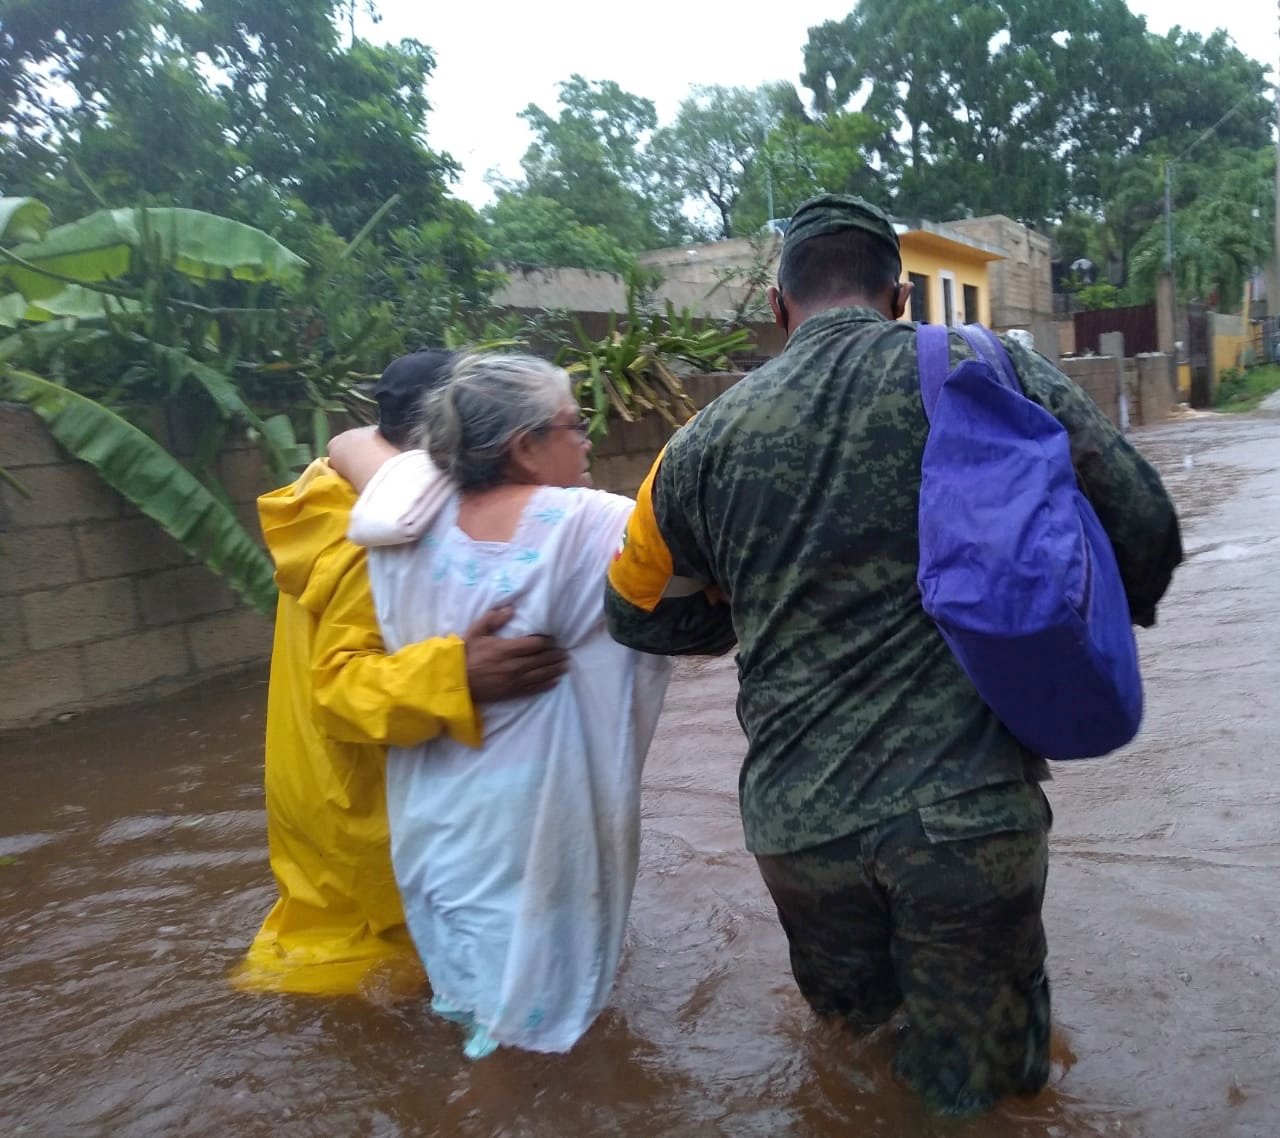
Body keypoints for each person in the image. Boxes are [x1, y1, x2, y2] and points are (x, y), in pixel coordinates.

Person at [604, 194, 1182, 1115]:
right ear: (901, 293)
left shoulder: (695, 448)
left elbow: (636, 614)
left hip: (798, 833)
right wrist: (1094, 624)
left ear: (775, 304)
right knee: (984, 1099)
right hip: (965, 820)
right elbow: (1143, 519)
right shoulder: (979, 367)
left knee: (857, 1072)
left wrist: (747, 606)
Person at [329, 352, 671, 1058]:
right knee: (528, 1054)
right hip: (535, 842)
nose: (588, 443)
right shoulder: (588, 526)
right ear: (524, 444)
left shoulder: (391, 523)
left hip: (436, 836)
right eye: (575, 426)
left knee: (476, 1019)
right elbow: (703, 554)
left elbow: (349, 445)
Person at [233, 349, 568, 998]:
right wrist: (457, 674)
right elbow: (342, 691)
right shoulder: (375, 545)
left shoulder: (341, 501)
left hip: (332, 824)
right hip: (377, 844)